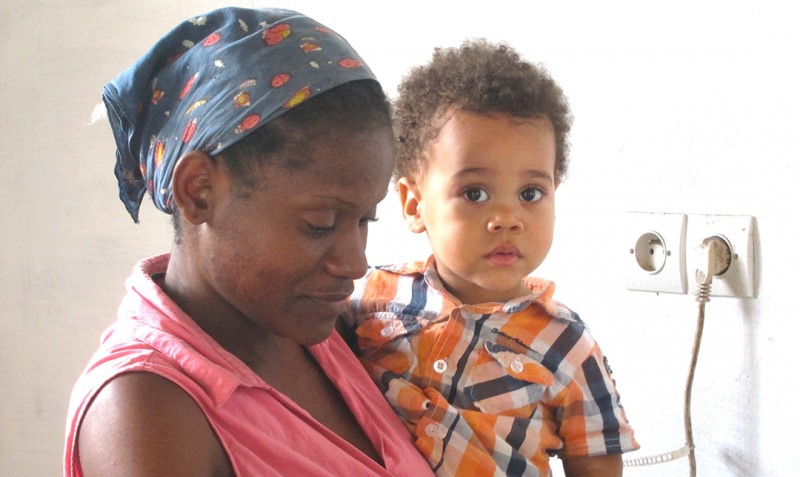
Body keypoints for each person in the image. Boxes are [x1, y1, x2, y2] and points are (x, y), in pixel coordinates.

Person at [64, 7, 436, 477]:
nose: (355, 263)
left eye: (365, 220)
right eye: (320, 224)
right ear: (199, 190)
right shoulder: (147, 409)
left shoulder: (328, 331)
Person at [343, 40, 639, 476]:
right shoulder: (371, 297)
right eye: (474, 193)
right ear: (413, 204)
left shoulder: (568, 344)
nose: (507, 219)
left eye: (530, 194)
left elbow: (596, 464)